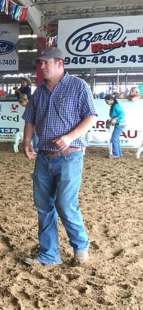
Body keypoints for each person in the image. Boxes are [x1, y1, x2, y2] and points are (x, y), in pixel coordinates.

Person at [22, 47, 97, 266]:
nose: (42, 66)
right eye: (40, 63)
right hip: (44, 156)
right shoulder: (39, 92)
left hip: (70, 156)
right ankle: (49, 254)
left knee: (65, 204)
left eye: (46, 62)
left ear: (59, 63)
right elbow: (30, 119)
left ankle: (81, 246)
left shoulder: (78, 86)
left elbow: (91, 117)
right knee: (44, 206)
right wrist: (27, 141)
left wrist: (70, 137)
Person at [104, 94, 125, 158]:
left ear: (111, 100)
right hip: (119, 124)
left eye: (107, 101)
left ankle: (116, 154)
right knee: (116, 139)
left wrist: (114, 119)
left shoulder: (116, 106)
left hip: (120, 124)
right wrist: (112, 120)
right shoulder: (114, 105)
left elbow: (122, 114)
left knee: (114, 139)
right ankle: (119, 153)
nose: (106, 103)